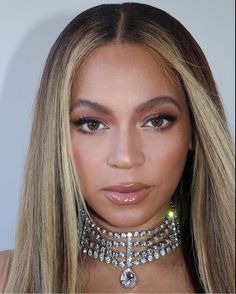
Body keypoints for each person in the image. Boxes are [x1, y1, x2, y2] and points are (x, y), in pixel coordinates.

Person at [0, 2, 234, 293]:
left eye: (156, 121)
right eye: (92, 124)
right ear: (56, 136)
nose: (125, 158)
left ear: (195, 132)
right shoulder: (6, 280)